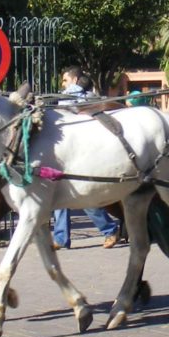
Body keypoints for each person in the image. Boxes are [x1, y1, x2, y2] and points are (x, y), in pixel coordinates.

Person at [52, 67, 123, 250]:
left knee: (80, 196)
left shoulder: (70, 97)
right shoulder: (87, 97)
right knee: (62, 196)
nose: (63, 84)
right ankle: (61, 238)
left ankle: (109, 230)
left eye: (65, 80)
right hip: (75, 152)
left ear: (75, 80)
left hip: (77, 152)